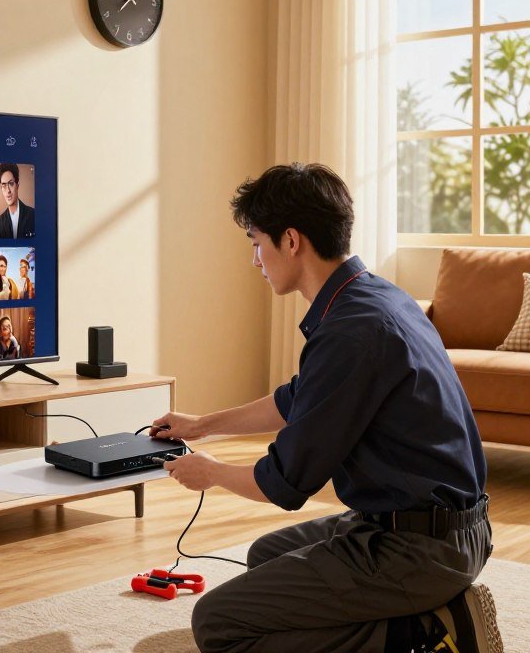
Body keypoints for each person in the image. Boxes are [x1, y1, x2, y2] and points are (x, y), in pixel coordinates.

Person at [151, 163, 499, 653]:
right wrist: (202, 425)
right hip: (432, 527)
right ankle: (414, 616)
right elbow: (298, 399)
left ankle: (425, 634)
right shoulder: (374, 298)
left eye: (256, 242)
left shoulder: (352, 332)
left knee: (217, 622)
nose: (255, 259)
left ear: (291, 240)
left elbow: (285, 482)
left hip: (420, 549)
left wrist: (208, 472)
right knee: (264, 556)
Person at [0, 163, 35, 239]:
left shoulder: (33, 215)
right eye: (4, 185)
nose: (8, 190)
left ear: (17, 185)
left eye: (11, 184)